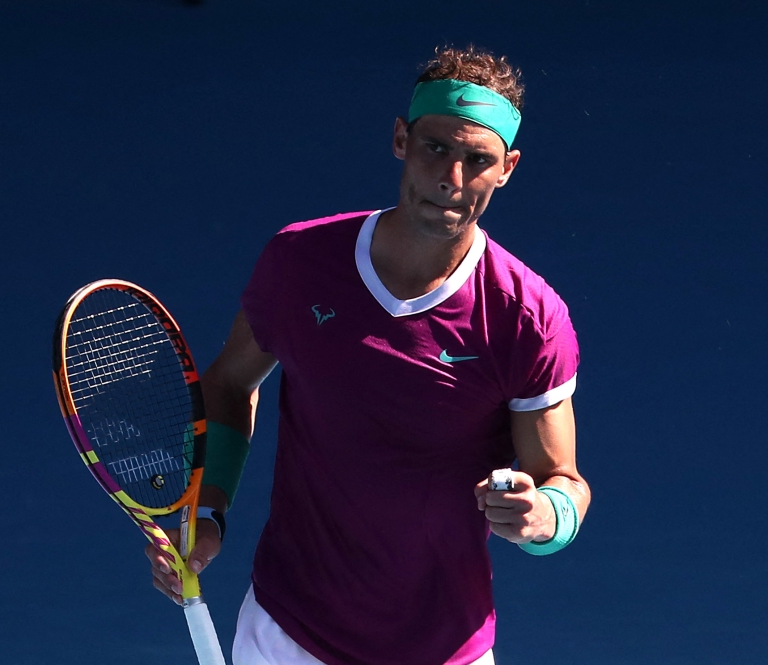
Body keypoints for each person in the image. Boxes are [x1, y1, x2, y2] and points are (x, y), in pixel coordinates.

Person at [147, 45, 591, 665]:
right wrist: (208, 512)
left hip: (443, 647)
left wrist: (542, 517)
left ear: (508, 168)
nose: (452, 179)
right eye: (437, 147)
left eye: (478, 160)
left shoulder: (528, 316)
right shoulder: (300, 265)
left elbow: (562, 483)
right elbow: (228, 384)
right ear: (401, 139)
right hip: (287, 633)